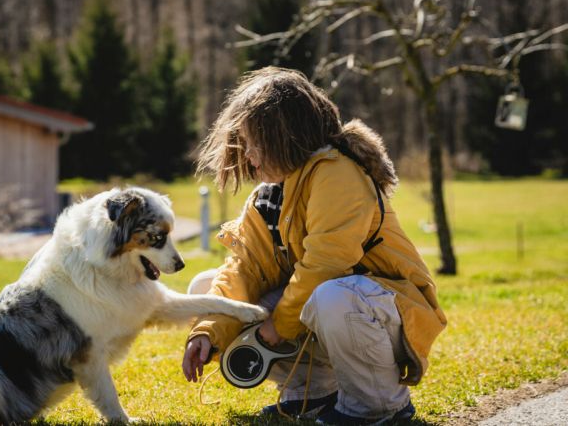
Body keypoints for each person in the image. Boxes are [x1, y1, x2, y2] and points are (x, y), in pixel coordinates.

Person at [182, 67, 447, 425]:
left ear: (283, 136)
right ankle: (312, 394)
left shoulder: (337, 173)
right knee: (205, 288)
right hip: (337, 308)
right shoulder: (268, 198)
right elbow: (243, 271)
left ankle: (379, 404)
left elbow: (326, 264)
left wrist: (275, 327)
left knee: (331, 295)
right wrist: (207, 332)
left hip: (389, 311)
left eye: (254, 143)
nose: (248, 155)